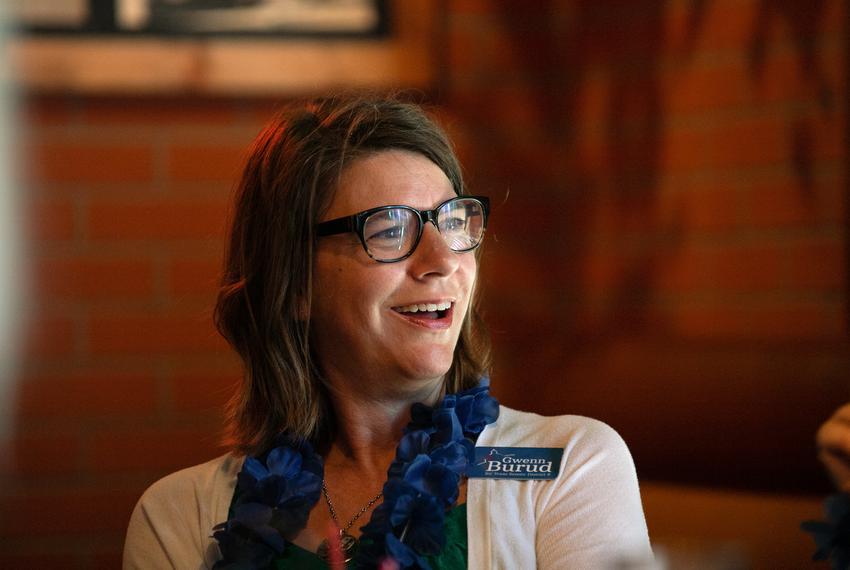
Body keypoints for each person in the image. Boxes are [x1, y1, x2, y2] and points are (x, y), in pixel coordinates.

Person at [123, 94, 653, 569]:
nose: (443, 259)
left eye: (452, 222)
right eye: (391, 229)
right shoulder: (179, 519)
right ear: (296, 284)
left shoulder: (568, 467)